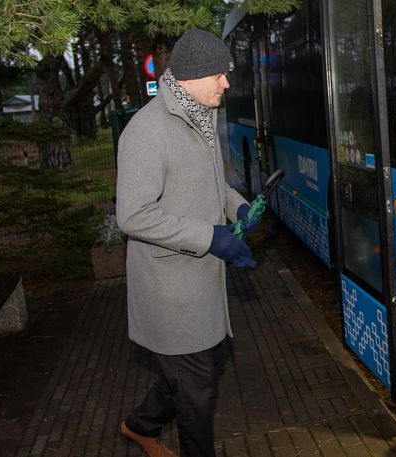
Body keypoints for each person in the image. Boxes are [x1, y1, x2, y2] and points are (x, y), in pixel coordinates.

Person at [116, 29, 260, 457]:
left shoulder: (202, 117)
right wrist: (208, 237)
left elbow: (216, 185)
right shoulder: (147, 130)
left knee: (200, 369)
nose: (226, 83)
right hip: (171, 291)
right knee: (196, 395)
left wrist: (237, 210)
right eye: (220, 74)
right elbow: (133, 215)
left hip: (202, 284)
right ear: (192, 77)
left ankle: (139, 426)